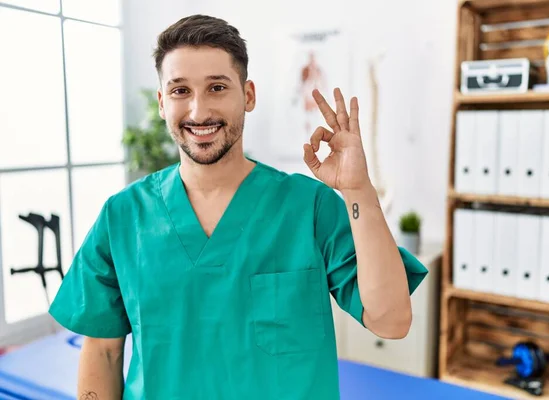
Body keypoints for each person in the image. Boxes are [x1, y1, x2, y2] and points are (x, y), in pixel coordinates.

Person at [48, 14, 429, 400]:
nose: (199, 111)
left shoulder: (309, 208)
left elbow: (392, 321)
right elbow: (104, 352)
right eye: (180, 91)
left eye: (216, 87)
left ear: (247, 95)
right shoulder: (122, 217)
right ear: (162, 103)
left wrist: (358, 189)